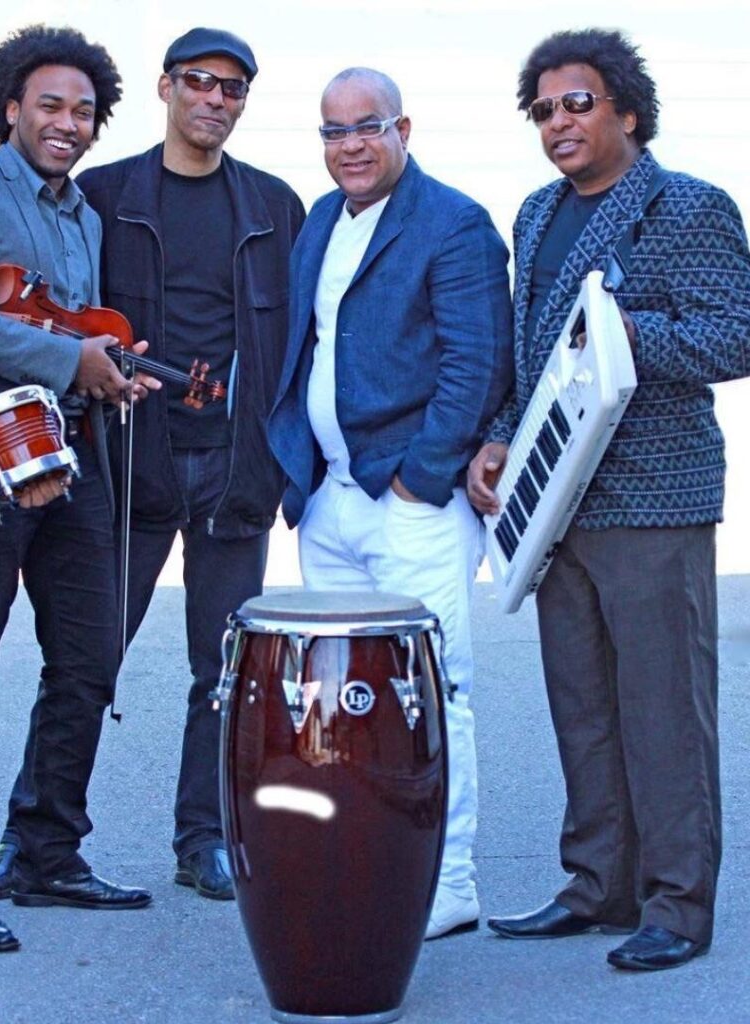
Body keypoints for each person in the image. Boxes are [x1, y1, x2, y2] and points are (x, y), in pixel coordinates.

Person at [0, 27, 305, 902]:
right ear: (167, 88)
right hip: (127, 466)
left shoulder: (277, 207)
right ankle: (37, 838)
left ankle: (204, 839)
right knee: (86, 662)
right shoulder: (104, 194)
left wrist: (286, 465)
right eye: (199, 82)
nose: (215, 99)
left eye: (233, 88)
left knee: (225, 670)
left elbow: (302, 344)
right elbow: (58, 320)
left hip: (234, 470)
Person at [469, 29, 750, 971]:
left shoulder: (689, 207)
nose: (559, 122)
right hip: (556, 501)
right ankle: (599, 886)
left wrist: (626, 333)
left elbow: (732, 337)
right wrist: (503, 436)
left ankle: (677, 903)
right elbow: (530, 352)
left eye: (578, 103)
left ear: (628, 110)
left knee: (665, 709)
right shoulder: (535, 215)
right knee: (582, 706)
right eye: (543, 109)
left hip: (653, 498)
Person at [0, 24, 155, 954]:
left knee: (91, 661)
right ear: (10, 107)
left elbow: (74, 333)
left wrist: (107, 370)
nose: (67, 123)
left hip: (69, 458)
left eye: (83, 111)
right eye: (49, 106)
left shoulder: (84, 214)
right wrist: (70, 356)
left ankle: (47, 848)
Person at [268, 67, 513, 939]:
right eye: (333, 133)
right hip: (330, 500)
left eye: (366, 127)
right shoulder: (322, 222)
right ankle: (363, 858)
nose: (349, 147)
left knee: (436, 692)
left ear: (402, 126)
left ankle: (447, 881)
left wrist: (421, 478)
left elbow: (476, 366)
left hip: (411, 501)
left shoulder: (454, 224)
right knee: (340, 702)